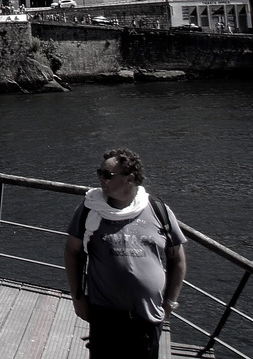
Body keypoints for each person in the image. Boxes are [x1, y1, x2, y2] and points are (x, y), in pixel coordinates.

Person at [64, 149, 186, 359]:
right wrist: (77, 297)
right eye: (99, 172)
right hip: (105, 316)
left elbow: (177, 258)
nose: (101, 179)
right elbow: (72, 252)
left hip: (147, 316)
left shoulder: (158, 210)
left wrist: (169, 302)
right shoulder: (90, 209)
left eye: (108, 175)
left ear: (130, 179)